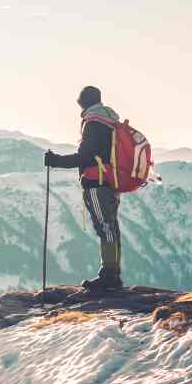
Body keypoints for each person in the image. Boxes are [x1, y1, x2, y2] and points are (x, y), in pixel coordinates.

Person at [43, 85, 124, 291]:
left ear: (84, 101)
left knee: (105, 227)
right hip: (111, 181)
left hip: (96, 183)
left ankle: (109, 277)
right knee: (111, 226)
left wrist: (56, 161)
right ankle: (113, 274)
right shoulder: (109, 121)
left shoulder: (94, 123)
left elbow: (85, 157)